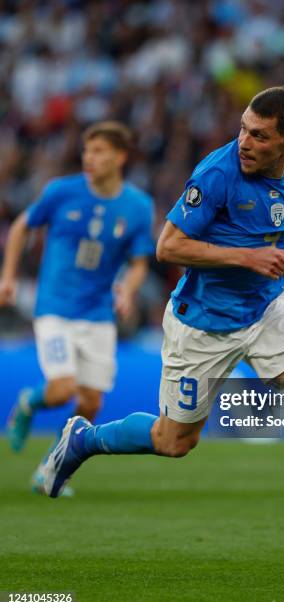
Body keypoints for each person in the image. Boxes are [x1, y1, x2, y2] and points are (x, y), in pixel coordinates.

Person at [43, 87, 284, 558]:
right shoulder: (217, 172)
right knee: (174, 442)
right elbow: (167, 247)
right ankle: (83, 440)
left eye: (258, 135)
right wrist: (246, 256)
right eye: (242, 129)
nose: (244, 142)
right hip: (203, 324)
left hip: (267, 311)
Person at [0, 121, 154, 495]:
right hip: (54, 307)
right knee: (60, 389)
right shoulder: (62, 192)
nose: (90, 158)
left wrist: (128, 291)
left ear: (120, 156)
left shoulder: (137, 206)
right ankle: (27, 402)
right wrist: (8, 276)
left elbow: (138, 262)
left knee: (90, 402)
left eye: (99, 151)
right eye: (87, 150)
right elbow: (22, 226)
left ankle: (50, 468)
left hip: (99, 313)